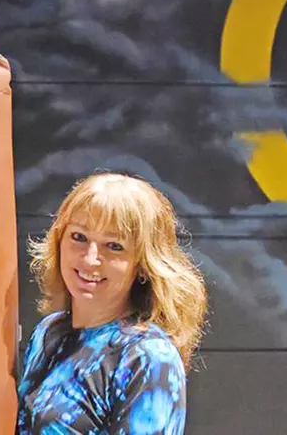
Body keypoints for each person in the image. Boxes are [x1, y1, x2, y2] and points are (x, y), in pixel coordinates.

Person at [16, 172, 207, 434]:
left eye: (114, 246)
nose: (90, 259)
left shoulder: (148, 356)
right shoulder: (49, 332)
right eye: (79, 237)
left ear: (142, 265)